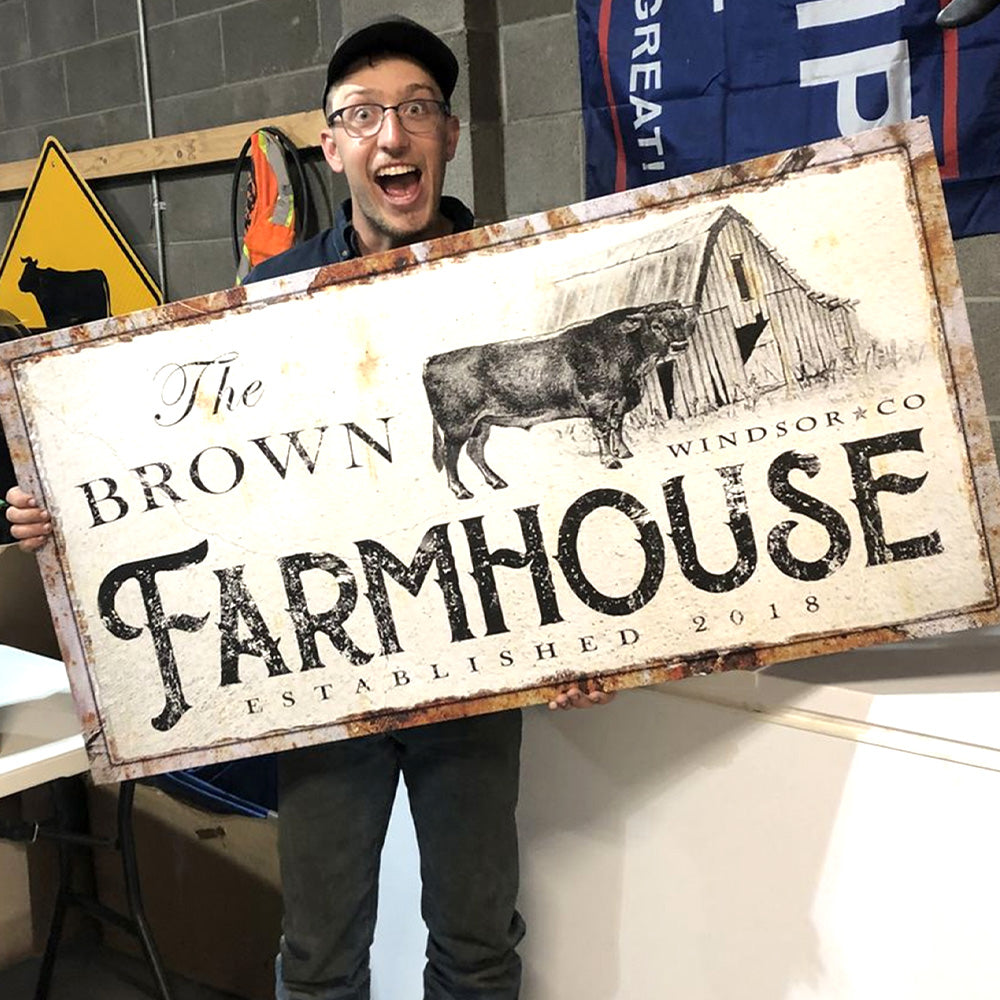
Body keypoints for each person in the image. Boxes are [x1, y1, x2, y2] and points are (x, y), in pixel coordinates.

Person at [6, 15, 613, 1000]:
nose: (392, 134)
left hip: (476, 663)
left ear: (448, 135)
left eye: (416, 110)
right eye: (363, 115)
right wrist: (68, 513)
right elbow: (198, 467)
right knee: (320, 956)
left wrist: (597, 640)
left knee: (477, 945)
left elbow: (573, 458)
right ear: (332, 146)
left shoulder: (513, 277)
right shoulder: (275, 293)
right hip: (327, 674)